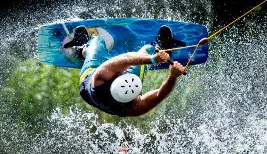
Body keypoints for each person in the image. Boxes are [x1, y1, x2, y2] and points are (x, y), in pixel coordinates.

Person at [65, 24, 207, 117]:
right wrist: (173, 75)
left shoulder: (99, 78)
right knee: (145, 51)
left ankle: (82, 49)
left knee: (96, 43)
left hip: (89, 82)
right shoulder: (135, 103)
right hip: (109, 90)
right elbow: (159, 94)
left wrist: (153, 60)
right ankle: (160, 48)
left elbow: (127, 58)